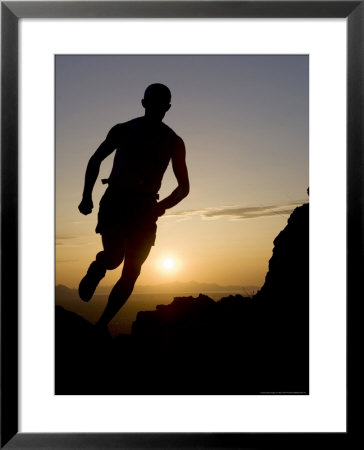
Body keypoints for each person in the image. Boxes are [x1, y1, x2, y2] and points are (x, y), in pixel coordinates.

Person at [78, 83, 190, 329]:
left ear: (168, 107)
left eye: (162, 105)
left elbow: (184, 187)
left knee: (132, 272)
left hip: (146, 208)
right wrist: (87, 196)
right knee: (115, 258)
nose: (157, 108)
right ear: (143, 103)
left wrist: (160, 208)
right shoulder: (123, 130)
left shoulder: (174, 142)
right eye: (153, 103)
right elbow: (96, 159)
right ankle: (100, 265)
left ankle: (102, 324)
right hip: (116, 200)